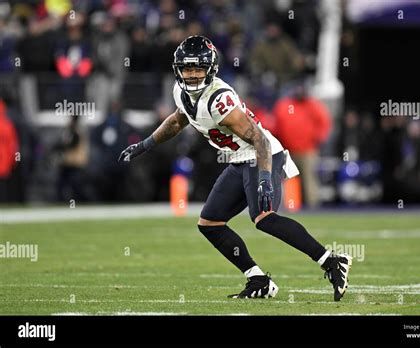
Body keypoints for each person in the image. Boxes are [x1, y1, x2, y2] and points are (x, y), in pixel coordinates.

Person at [118, 36, 352, 301]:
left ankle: (331, 261)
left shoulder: (219, 99)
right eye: (187, 69)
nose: (192, 75)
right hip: (238, 159)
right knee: (210, 223)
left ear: (211, 69)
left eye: (198, 69)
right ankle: (258, 279)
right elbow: (176, 121)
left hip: (261, 155)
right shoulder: (181, 92)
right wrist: (145, 144)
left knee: (264, 218)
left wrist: (265, 177)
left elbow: (259, 139)